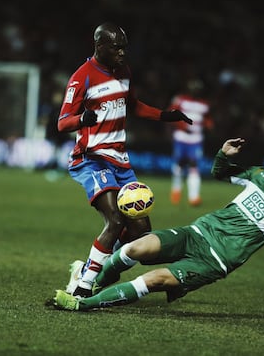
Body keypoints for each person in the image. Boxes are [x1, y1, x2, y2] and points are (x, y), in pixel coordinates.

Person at [53, 137, 264, 311]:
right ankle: (92, 286)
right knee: (133, 248)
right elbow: (219, 172)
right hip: (195, 233)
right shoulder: (260, 175)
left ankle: (82, 304)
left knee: (151, 280)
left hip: (214, 261)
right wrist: (224, 154)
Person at [57, 23, 192, 298]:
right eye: (116, 47)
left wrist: (166, 116)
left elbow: (134, 106)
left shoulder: (124, 72)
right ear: (100, 46)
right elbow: (62, 123)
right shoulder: (81, 77)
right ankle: (82, 288)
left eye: (124, 47)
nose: (122, 52)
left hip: (120, 160)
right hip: (91, 159)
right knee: (116, 220)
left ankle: (90, 271)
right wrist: (82, 119)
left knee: (140, 230)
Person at [168, 78, 214, 206]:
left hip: (196, 138)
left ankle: (194, 197)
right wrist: (178, 124)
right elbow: (171, 113)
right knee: (179, 165)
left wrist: (209, 124)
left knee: (194, 165)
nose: (195, 91)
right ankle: (176, 190)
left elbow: (207, 118)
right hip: (181, 137)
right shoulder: (181, 100)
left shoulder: (204, 104)